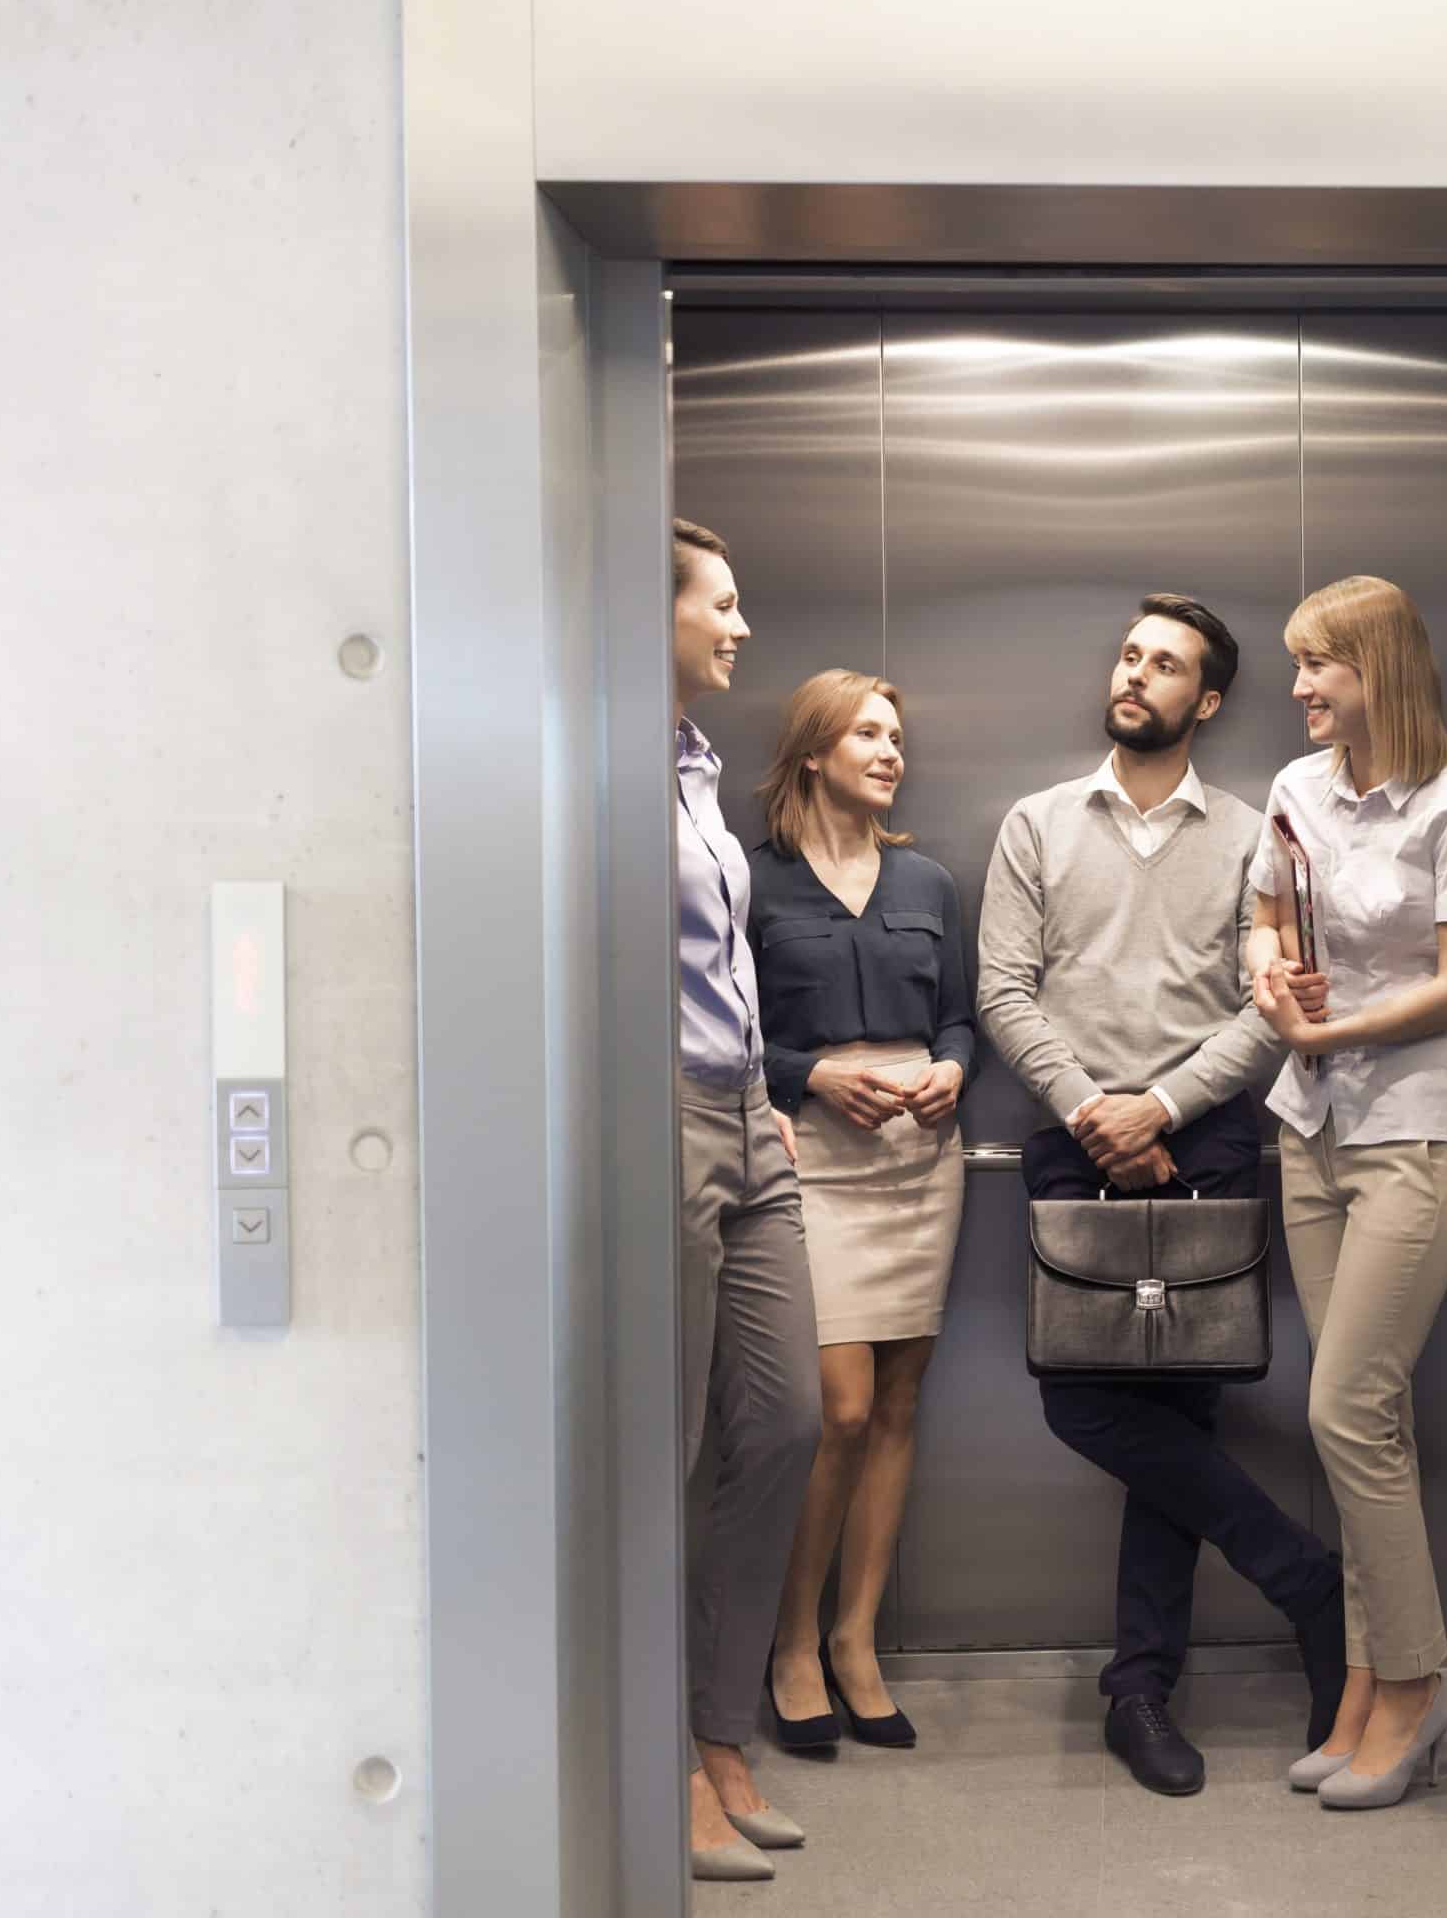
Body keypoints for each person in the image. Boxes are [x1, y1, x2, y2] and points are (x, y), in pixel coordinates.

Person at [976, 593, 1350, 1797]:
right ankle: (1304, 1579)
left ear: (1211, 699)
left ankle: (1141, 1689)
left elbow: (1276, 1002)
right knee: (1084, 1407)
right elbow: (1003, 991)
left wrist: (1166, 1110)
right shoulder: (1037, 825)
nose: (1137, 674)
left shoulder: (1255, 832)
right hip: (1069, 1142)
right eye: (1131, 655)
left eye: (1167, 664)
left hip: (1210, 1149)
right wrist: (1097, 1109)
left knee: (1176, 1427)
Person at [1245, 575, 1447, 1811]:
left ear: (1373, 668)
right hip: (1313, 1134)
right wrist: (1272, 989)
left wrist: (1333, 1032)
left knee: (1348, 1407)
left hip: (1417, 1135)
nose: (1298, 690)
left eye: (1316, 668)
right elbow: (1262, 922)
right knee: (1359, 1426)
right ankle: (1361, 1692)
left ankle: (1416, 1685)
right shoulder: (1296, 793)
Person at [749, 669, 975, 1753]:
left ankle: (855, 1640)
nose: (891, 751)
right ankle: (790, 1642)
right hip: (815, 1164)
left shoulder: (927, 880)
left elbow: (963, 1016)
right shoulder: (754, 884)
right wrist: (809, 1077)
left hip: (920, 1162)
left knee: (896, 1404)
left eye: (898, 734)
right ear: (813, 753)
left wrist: (951, 1070)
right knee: (835, 1409)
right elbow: (730, 1036)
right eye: (868, 734)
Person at [665, 518, 821, 1881]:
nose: (741, 625)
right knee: (657, 1453)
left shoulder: (696, 771)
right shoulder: (602, 764)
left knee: (782, 1419)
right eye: (721, 601)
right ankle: (658, 1761)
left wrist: (764, 1084)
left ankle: (721, 1733)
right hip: (649, 1115)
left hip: (741, 1108)